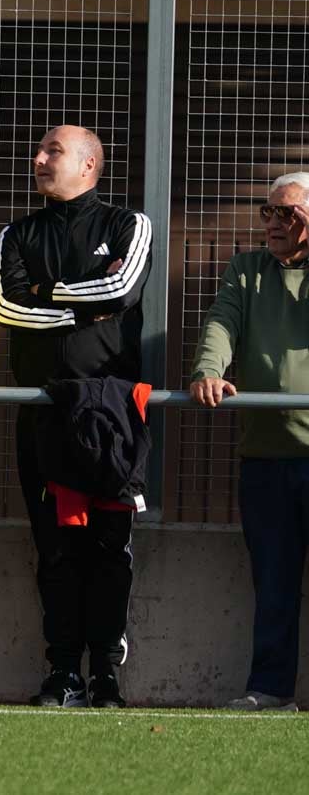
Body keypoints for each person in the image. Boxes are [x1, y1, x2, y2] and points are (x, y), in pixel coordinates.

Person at [0, 124, 150, 709]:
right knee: (54, 547)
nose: (38, 158)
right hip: (43, 413)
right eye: (39, 149)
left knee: (109, 548)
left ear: (88, 165)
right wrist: (81, 309)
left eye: (53, 151)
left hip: (112, 414)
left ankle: (106, 672)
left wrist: (49, 292)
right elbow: (8, 306)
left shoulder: (128, 225)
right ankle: (62, 672)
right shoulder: (17, 233)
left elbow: (122, 289)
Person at [190, 172, 309, 712]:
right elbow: (222, 321)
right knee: (274, 583)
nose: (274, 224)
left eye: (289, 214)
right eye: (269, 212)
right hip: (266, 455)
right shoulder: (247, 268)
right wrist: (209, 369)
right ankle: (270, 690)